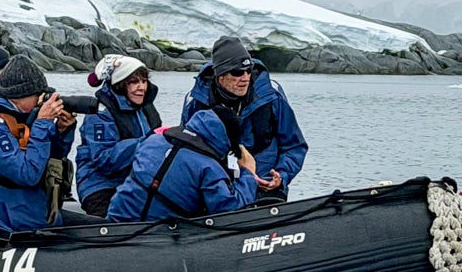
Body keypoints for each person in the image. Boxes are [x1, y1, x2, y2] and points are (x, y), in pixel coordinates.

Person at [0, 55, 77, 234]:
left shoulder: (22, 116)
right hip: (2, 219)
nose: (40, 100)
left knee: (96, 226)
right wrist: (42, 122)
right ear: (20, 95)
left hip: (28, 213)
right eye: (37, 95)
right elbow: (26, 174)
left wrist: (61, 130)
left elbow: (50, 158)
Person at [180, 36, 308, 202]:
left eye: (249, 71)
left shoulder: (272, 98)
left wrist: (281, 176)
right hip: (217, 195)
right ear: (220, 76)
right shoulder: (196, 102)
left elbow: (295, 146)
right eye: (237, 72)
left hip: (265, 191)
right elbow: (185, 152)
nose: (245, 77)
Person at [107, 107, 259, 221]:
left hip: (117, 222)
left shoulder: (153, 141)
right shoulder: (209, 168)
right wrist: (248, 175)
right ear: (227, 140)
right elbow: (229, 211)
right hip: (158, 237)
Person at [74, 54, 162, 218]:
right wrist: (147, 143)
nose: (141, 87)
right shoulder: (99, 114)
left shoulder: (146, 109)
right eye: (134, 82)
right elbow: (104, 159)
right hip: (101, 185)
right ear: (121, 84)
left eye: (144, 81)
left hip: (136, 182)